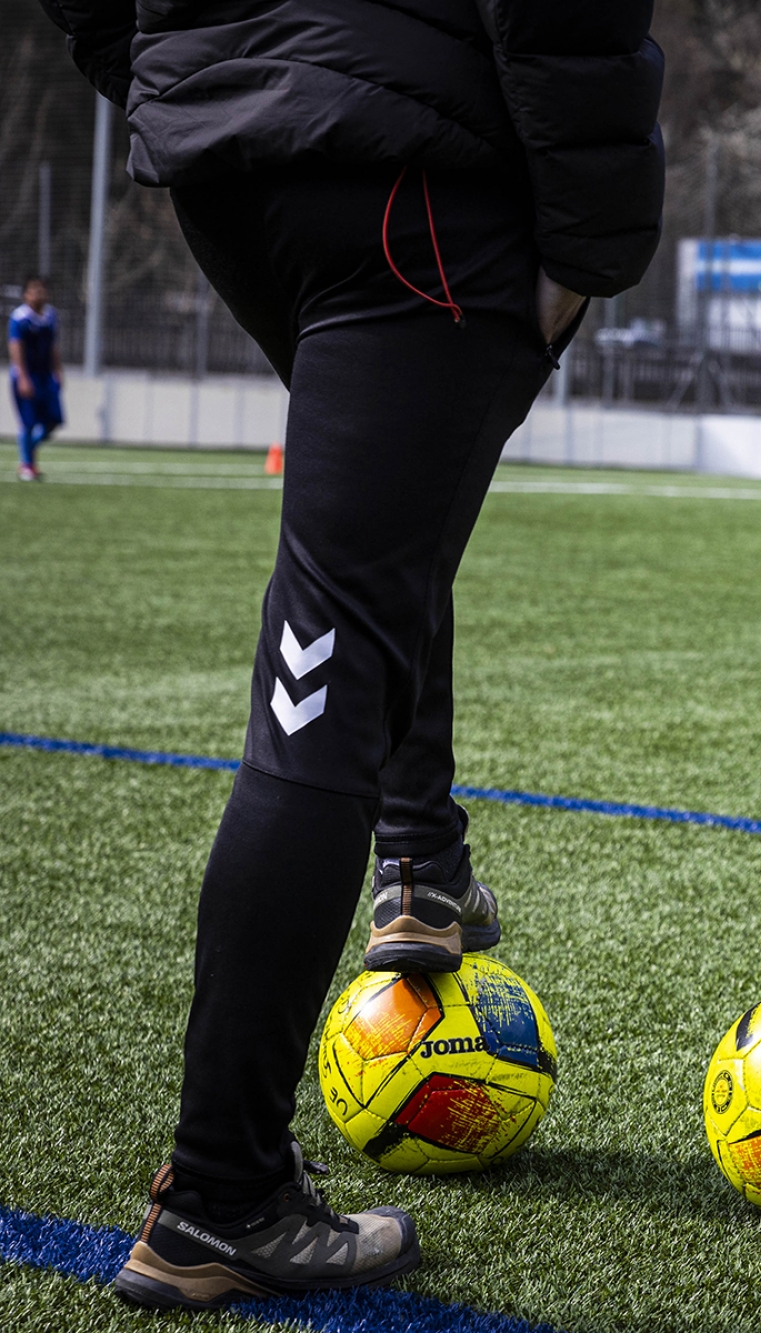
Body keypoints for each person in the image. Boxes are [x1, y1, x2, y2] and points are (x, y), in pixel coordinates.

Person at [38, 0, 664, 1310]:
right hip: (416, 178)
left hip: (234, 167)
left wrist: (173, 81)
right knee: (330, 653)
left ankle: (421, 862)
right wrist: (589, 251)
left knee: (378, 557)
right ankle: (220, 1196)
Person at [10, 277, 63, 481]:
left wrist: (58, 370)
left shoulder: (51, 316)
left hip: (46, 376)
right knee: (29, 422)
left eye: (42, 289)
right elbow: (16, 347)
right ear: (26, 294)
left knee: (53, 421)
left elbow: (53, 346)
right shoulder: (20, 318)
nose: (39, 293)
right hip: (27, 375)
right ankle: (27, 465)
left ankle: (27, 455)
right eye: (34, 290)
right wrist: (22, 377)